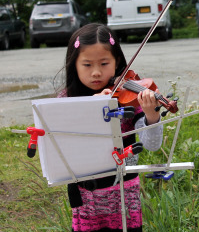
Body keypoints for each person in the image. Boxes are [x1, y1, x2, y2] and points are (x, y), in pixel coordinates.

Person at [59, 23, 163, 232]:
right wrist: (92, 109)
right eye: (87, 65)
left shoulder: (128, 100)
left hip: (124, 192)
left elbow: (151, 145)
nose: (96, 72)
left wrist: (152, 115)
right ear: (74, 65)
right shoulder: (66, 100)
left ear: (117, 63)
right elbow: (62, 143)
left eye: (104, 63)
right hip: (86, 194)